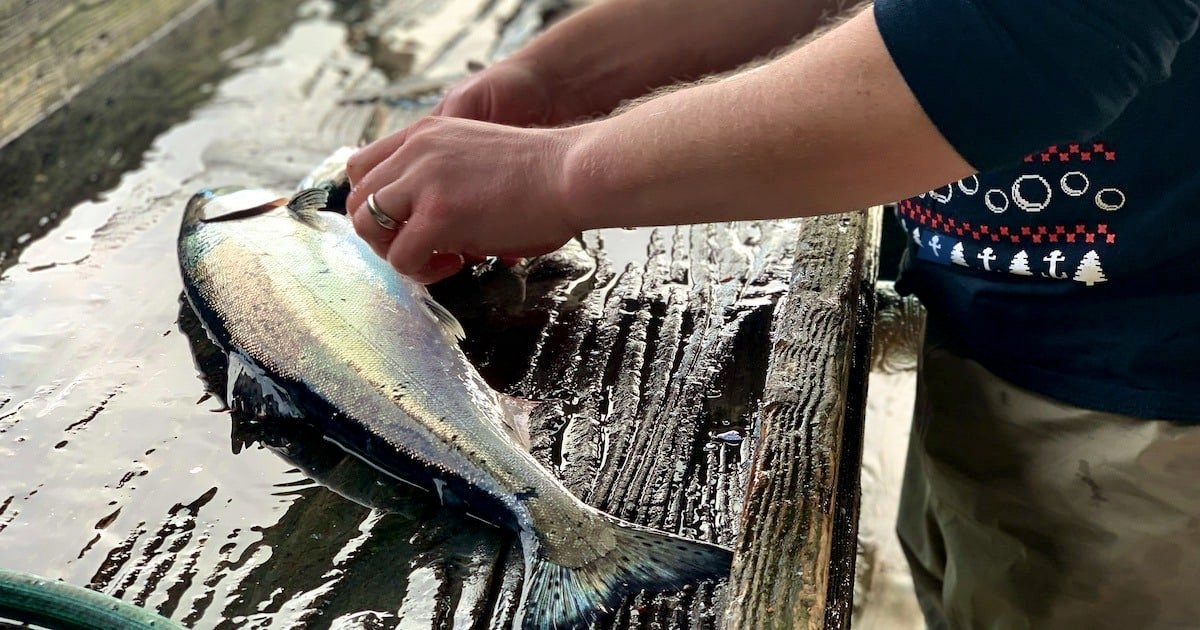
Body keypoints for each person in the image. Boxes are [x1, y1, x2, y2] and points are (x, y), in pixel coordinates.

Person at [344, 0, 1200, 627]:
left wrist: (561, 173)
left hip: (1151, 410)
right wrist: (557, 77)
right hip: (1003, 337)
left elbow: (1019, 41)